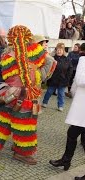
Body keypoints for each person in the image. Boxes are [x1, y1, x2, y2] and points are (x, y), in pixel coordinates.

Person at [0, 25, 50, 165]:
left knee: (5, 119)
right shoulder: (34, 51)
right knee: (25, 123)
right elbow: (47, 61)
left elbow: (6, 75)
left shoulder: (6, 56)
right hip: (27, 95)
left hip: (10, 93)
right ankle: (21, 153)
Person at [49, 43, 85, 179]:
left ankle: (66, 160)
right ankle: (66, 160)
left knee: (75, 134)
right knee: (73, 133)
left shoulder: (83, 60)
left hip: (83, 109)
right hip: (82, 106)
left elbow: (81, 80)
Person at [42, 43, 73, 112]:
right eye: (58, 50)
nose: (59, 51)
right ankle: (45, 102)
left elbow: (70, 69)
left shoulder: (67, 59)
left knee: (61, 94)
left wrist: (67, 78)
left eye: (61, 50)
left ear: (63, 51)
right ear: (56, 50)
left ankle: (60, 106)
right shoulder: (52, 58)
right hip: (53, 79)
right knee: (49, 92)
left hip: (62, 80)